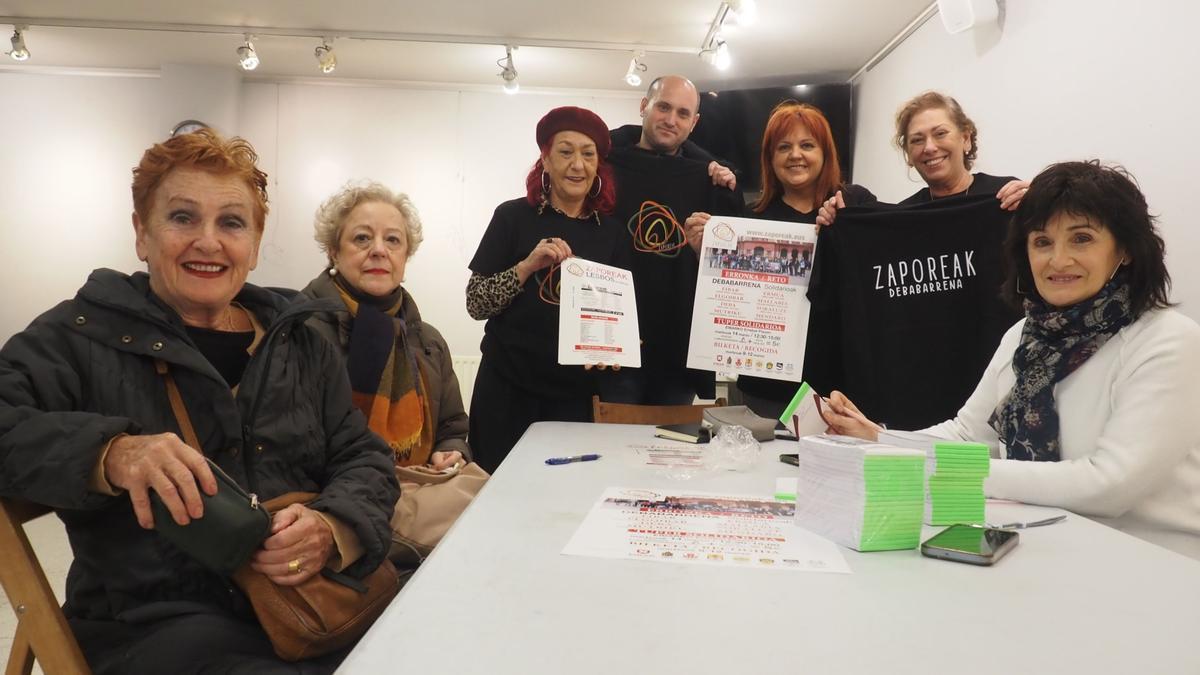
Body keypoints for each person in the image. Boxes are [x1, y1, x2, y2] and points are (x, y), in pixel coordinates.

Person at [0, 129, 399, 674]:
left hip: (309, 608)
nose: (208, 242)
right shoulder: (78, 338)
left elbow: (363, 456)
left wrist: (333, 528)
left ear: (255, 244)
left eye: (231, 222)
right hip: (156, 627)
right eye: (182, 217)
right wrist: (109, 453)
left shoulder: (301, 340)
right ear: (142, 234)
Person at [820, 161, 1200, 560]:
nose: (1058, 260)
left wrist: (955, 472)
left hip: (1155, 568)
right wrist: (877, 438)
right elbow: (968, 437)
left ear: (1124, 249)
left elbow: (1109, 484)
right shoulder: (1025, 335)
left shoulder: (1168, 341)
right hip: (1049, 552)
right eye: (1042, 242)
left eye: (1082, 239)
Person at [684, 102, 877, 419]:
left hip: (840, 386)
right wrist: (701, 253)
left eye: (807, 145)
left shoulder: (853, 204)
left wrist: (847, 220)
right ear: (770, 159)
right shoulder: (750, 220)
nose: (795, 155)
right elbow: (723, 299)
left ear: (825, 153)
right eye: (783, 147)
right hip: (767, 386)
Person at [466, 106, 629, 473]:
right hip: (507, 389)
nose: (577, 164)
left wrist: (612, 349)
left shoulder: (612, 232)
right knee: (494, 490)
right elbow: (476, 303)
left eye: (588, 154)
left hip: (575, 397)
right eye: (565, 151)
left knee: (565, 497)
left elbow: (618, 315)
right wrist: (527, 266)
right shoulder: (512, 217)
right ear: (545, 158)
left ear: (598, 164)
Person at [606, 75, 745, 405]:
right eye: (663, 107)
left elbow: (734, 271)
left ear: (694, 123)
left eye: (683, 113)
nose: (671, 120)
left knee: (671, 454)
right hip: (612, 347)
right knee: (610, 451)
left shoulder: (712, 179)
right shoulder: (605, 166)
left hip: (676, 350)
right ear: (644, 106)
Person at [816, 91, 1027, 224]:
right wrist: (840, 225)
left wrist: (1043, 203)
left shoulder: (1008, 197)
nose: (929, 147)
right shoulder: (903, 218)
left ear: (966, 138)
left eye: (940, 133)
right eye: (917, 140)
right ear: (908, 155)